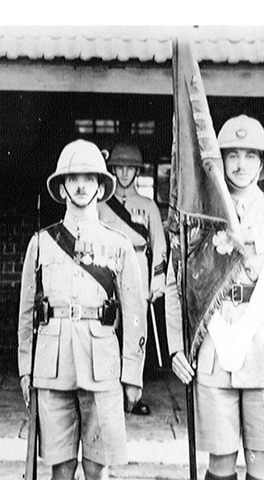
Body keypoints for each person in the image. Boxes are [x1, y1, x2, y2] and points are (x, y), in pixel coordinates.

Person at [166, 115, 264, 480]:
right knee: (220, 465)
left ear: (262, 163)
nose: (241, 166)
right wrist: (178, 347)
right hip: (214, 352)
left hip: (263, 354)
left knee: (263, 464)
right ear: (219, 162)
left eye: (250, 156)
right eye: (232, 156)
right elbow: (175, 285)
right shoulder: (199, 220)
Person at [18, 139, 147, 480]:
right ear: (61, 187)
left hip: (102, 365)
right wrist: (24, 366)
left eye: (89, 178)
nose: (80, 185)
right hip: (52, 363)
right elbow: (27, 312)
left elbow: (135, 314)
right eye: (73, 178)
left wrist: (132, 374)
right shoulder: (41, 242)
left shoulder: (118, 244)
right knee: (60, 466)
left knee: (96, 466)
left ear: (101, 186)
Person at [97, 143, 167, 416]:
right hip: (107, 266)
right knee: (106, 328)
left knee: (136, 330)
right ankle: (108, 389)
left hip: (138, 263)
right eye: (119, 167)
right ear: (112, 169)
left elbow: (159, 245)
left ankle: (134, 393)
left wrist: (157, 281)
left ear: (137, 171)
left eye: (130, 168)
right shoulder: (101, 205)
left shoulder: (148, 206)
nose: (124, 172)